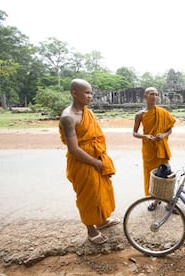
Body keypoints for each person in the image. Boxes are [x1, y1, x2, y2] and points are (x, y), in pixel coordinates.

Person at [59, 79, 120, 245]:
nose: (90, 96)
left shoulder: (88, 112)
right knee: (88, 196)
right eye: (86, 92)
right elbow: (74, 149)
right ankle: (91, 229)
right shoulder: (68, 117)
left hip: (96, 157)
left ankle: (101, 221)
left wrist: (100, 159)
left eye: (90, 92)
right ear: (74, 93)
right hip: (82, 162)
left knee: (101, 192)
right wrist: (95, 162)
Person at [132, 87, 176, 205]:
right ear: (145, 96)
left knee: (166, 173)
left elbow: (170, 130)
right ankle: (154, 200)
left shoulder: (163, 112)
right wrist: (145, 136)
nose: (154, 97)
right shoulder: (140, 115)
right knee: (151, 174)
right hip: (149, 148)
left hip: (162, 147)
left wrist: (164, 135)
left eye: (156, 94)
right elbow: (134, 133)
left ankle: (169, 200)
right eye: (152, 94)